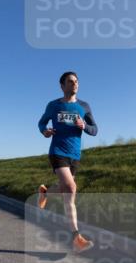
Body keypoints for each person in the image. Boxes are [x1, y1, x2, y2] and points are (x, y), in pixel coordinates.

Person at [37, 71, 98, 253]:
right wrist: (45, 131)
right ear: (62, 86)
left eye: (76, 82)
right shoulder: (53, 105)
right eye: (70, 82)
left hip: (74, 155)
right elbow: (41, 123)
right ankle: (76, 238)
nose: (74, 84)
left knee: (66, 192)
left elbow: (95, 130)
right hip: (57, 152)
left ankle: (45, 192)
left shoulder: (84, 106)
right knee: (71, 188)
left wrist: (84, 126)